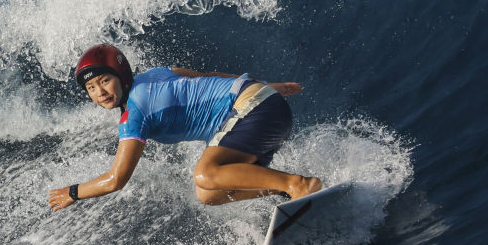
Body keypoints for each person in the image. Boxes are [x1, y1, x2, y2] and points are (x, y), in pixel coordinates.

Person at [48, 44, 321, 211]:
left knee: (205, 173)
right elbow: (208, 78)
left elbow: (116, 179)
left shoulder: (135, 112)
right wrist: (272, 88)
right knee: (209, 193)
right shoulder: (156, 73)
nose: (99, 92)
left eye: (105, 81)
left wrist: (74, 192)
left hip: (255, 110)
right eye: (91, 88)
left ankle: (298, 184)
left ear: (121, 76)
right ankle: (284, 189)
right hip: (264, 106)